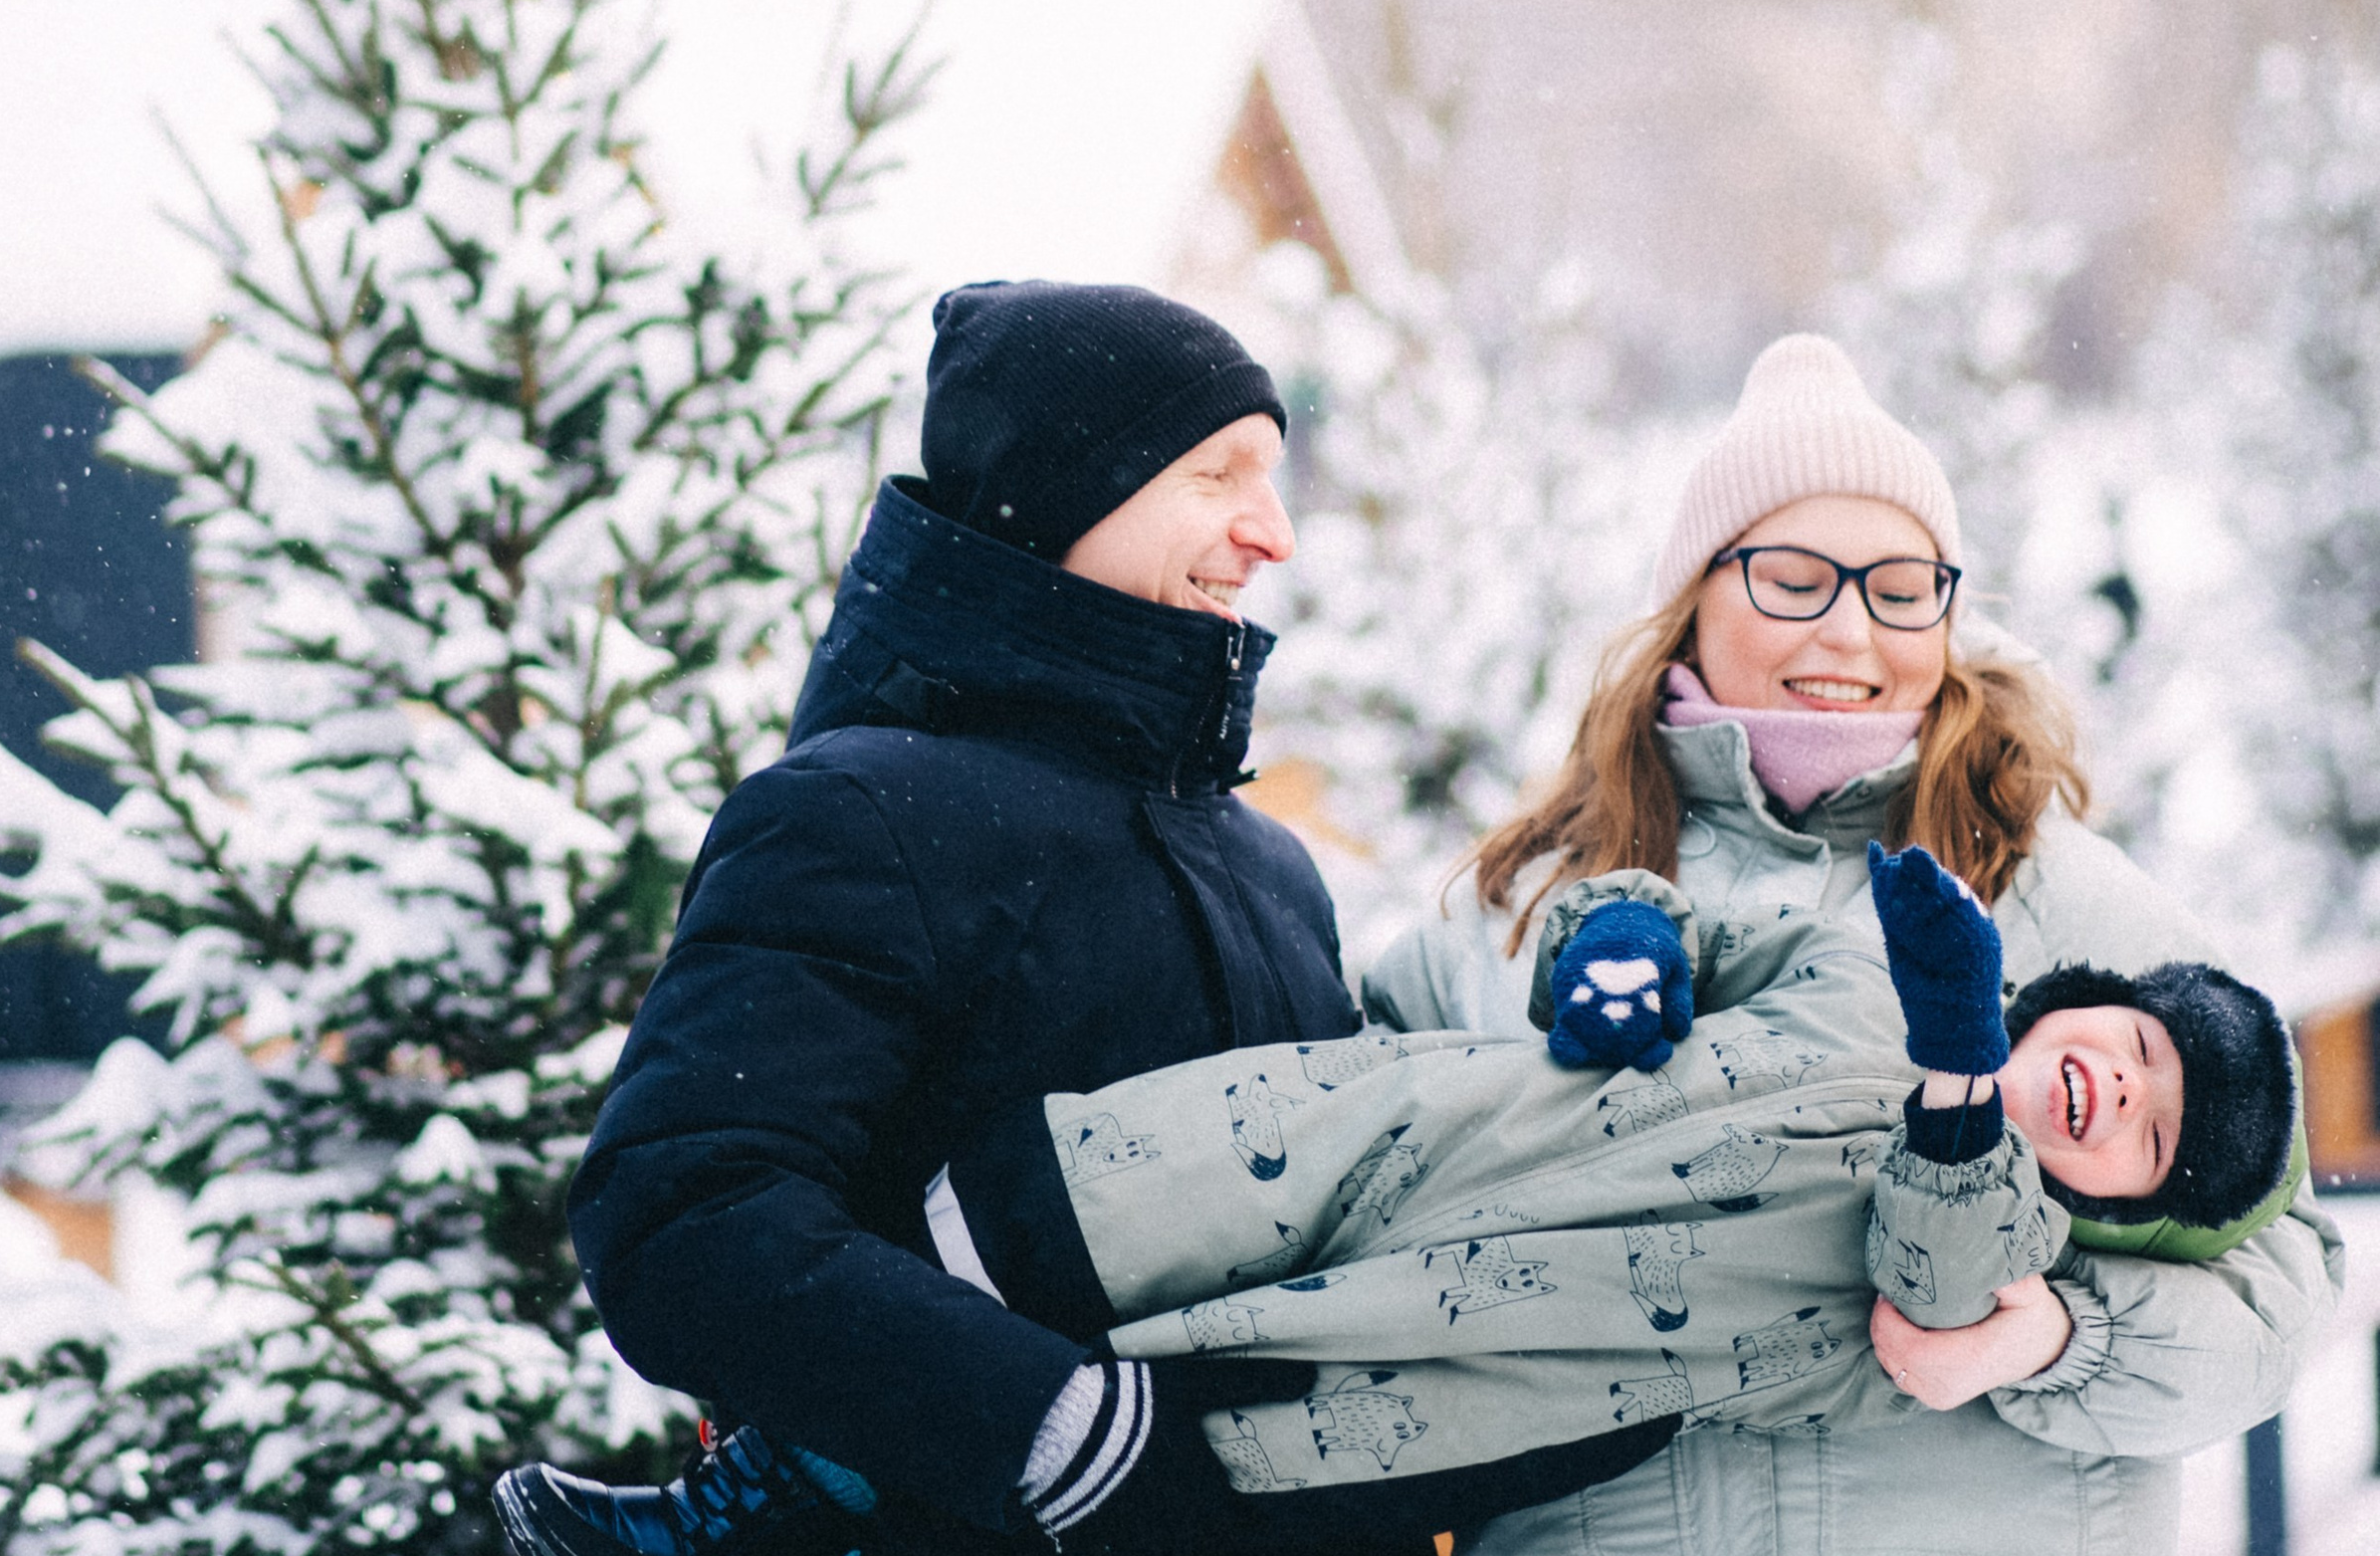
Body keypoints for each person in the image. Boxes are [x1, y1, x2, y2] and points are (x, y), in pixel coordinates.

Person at [502, 282, 1665, 1556]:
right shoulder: (862, 810)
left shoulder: (1268, 865)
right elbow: (687, 1220)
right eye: (1217, 475)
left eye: (1272, 479)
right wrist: (1056, 1430)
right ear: (1068, 491)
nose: (1271, 531)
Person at [1357, 333, 2346, 1554]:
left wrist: (2057, 1336)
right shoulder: (1521, 912)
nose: (1849, 633)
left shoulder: (2048, 892)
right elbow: (1343, 1206)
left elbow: (2286, 1278)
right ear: (1693, 594)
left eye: (1898, 587)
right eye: (1792, 576)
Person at [922, 841, 2304, 1495]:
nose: (2124, 1083)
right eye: (2137, 1041)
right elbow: (1671, 919)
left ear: (2123, 1207)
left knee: (1067, 1450)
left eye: (2152, 1132)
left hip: (1448, 1364)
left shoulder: (2000, 1272)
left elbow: (1926, 1282)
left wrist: (1955, 1083)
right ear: (2076, 996)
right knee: (1010, 1245)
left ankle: (837, 1493)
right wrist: (1614, 950)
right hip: (1379, 1146)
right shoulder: (1871, 966)